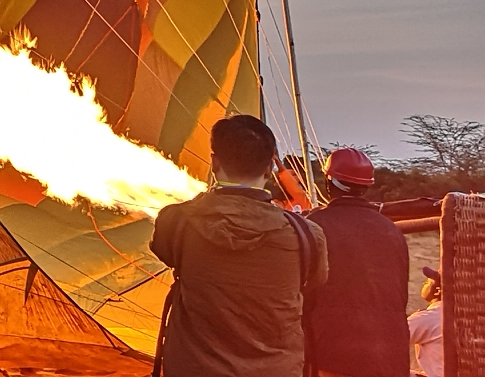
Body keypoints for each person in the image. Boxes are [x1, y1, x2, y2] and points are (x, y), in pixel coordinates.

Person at [152, 115, 328, 377]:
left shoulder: (176, 222)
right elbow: (314, 282)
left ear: (214, 163)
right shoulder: (307, 234)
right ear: (269, 168)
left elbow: (164, 250)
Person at [304, 148, 410, 377]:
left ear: (328, 182)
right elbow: (400, 294)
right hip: (388, 356)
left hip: (332, 356)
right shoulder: (391, 230)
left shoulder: (313, 225)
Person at [408, 267, 443, 377]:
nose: (425, 283)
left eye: (429, 281)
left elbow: (387, 339)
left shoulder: (429, 318)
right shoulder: (461, 317)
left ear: (438, 290)